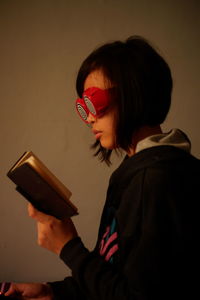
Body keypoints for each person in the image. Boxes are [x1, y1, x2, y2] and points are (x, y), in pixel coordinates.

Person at [5, 36, 199, 300]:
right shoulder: (138, 172)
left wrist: (68, 247)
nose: (90, 118)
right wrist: (52, 291)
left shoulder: (156, 180)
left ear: (134, 93)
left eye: (94, 102)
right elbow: (112, 275)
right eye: (83, 108)